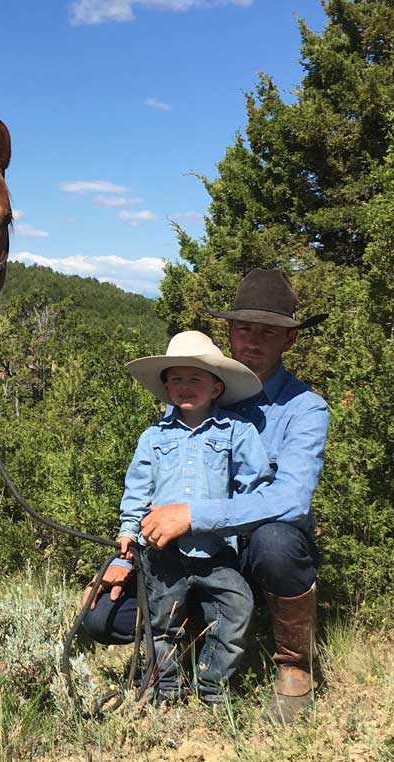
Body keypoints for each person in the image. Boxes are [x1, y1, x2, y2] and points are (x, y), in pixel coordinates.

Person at [82, 268, 328, 724]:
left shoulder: (304, 408)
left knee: (277, 541)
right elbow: (150, 484)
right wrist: (128, 551)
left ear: (290, 340)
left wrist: (194, 516)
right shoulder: (193, 397)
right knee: (101, 618)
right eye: (243, 329)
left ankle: (293, 666)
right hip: (178, 553)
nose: (252, 341)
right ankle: (188, 633)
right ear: (230, 334)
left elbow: (293, 498)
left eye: (268, 332)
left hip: (248, 552)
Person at [95, 330, 273, 705]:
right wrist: (128, 533)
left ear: (216, 387)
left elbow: (255, 486)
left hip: (216, 551)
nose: (185, 386)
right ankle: (164, 687)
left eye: (195, 378)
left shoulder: (237, 432)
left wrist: (238, 526)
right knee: (160, 621)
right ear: (166, 386)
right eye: (176, 378)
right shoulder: (152, 438)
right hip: (163, 551)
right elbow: (137, 491)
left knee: (237, 607)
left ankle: (213, 686)